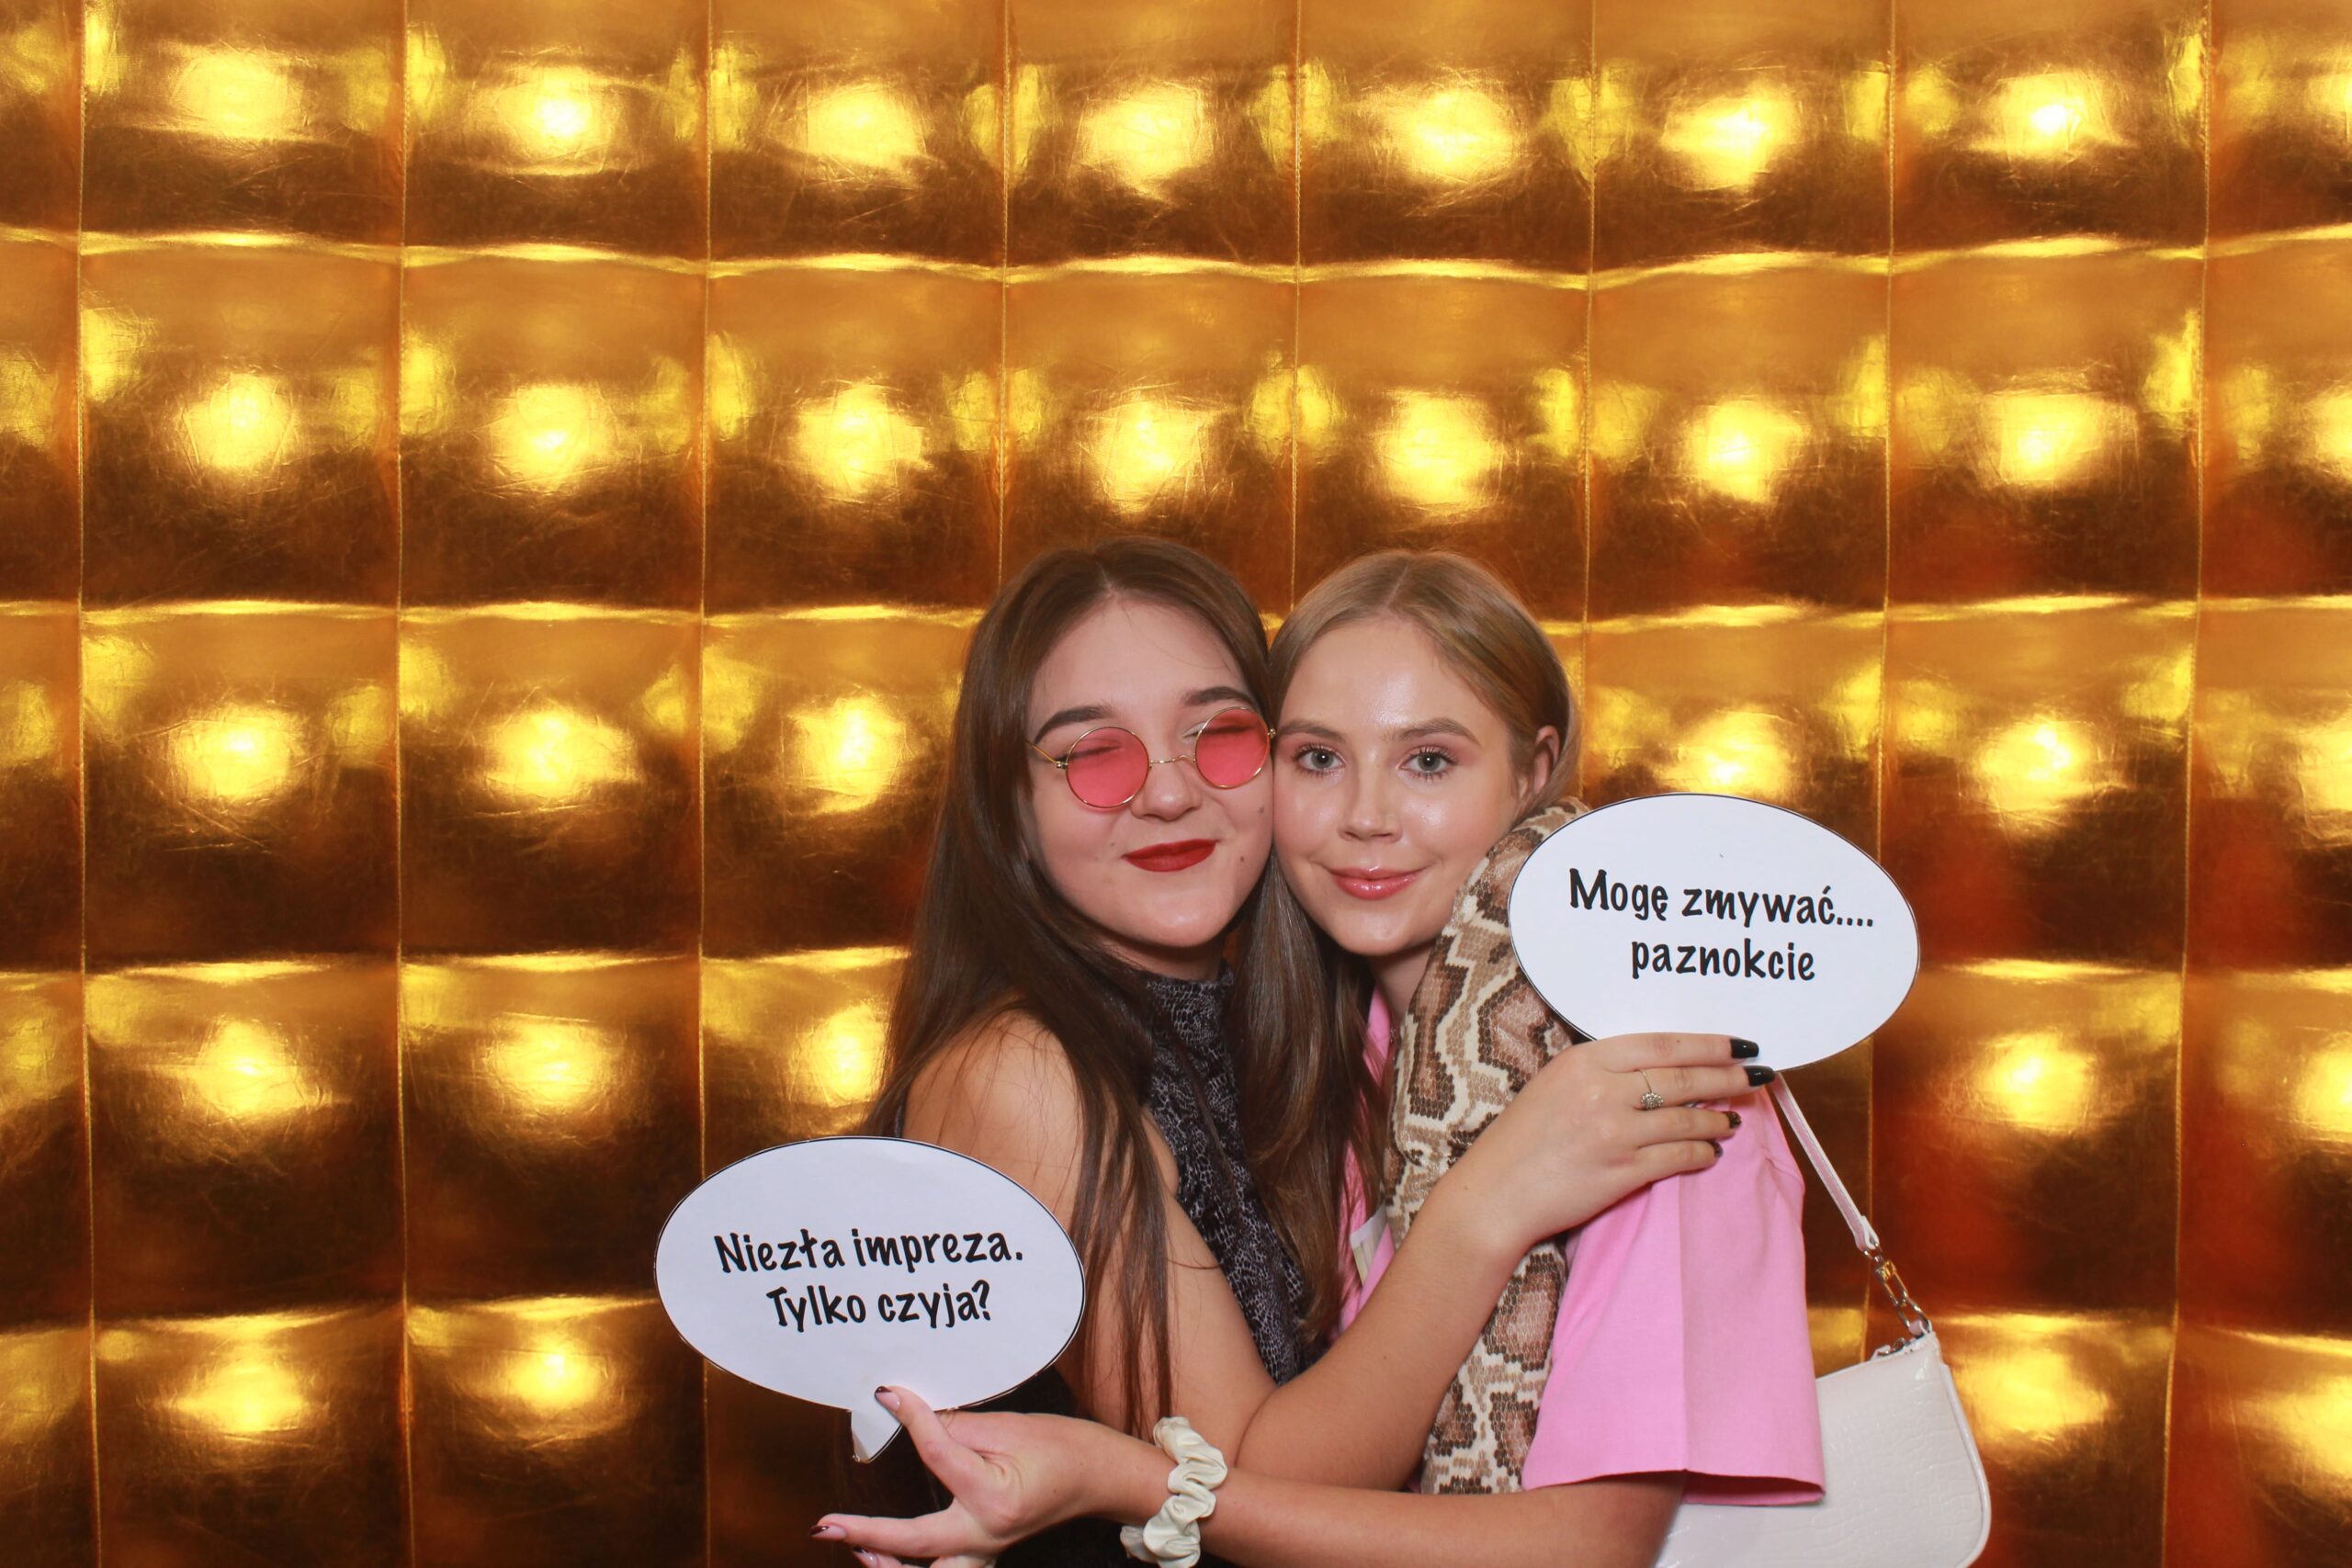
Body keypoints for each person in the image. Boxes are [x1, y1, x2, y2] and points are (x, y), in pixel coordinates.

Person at [818, 550, 1821, 1567]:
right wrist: (1487, 1202)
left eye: (1217, 736)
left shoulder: (1603, 1082)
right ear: (1009, 802)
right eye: (1094, 754)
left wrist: (1124, 1478)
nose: (1168, 792)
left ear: (1533, 769)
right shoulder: (1024, 1071)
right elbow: (1252, 1466)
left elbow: (1589, 1543)